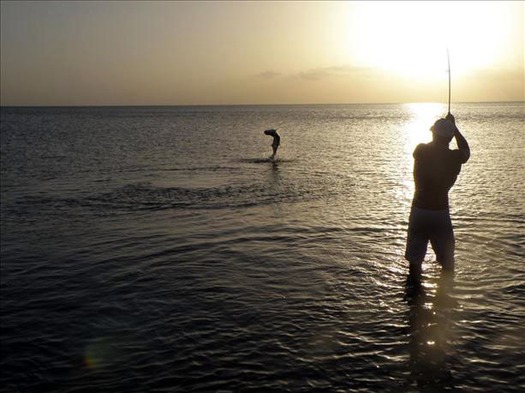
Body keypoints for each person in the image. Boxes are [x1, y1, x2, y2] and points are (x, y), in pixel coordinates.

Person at [405, 113, 470, 278]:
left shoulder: (420, 150)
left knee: (415, 261)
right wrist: (454, 128)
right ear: (449, 138)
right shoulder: (455, 158)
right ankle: (445, 297)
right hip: (440, 213)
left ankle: (413, 297)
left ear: (433, 133)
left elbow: (430, 149)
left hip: (419, 210)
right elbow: (466, 151)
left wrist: (448, 129)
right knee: (447, 262)